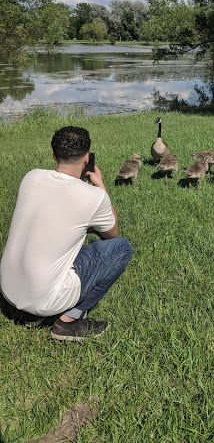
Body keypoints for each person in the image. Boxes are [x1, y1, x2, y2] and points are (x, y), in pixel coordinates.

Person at [0, 126, 133, 341]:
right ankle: (69, 321)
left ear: (54, 156)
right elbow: (112, 233)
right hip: (46, 298)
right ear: (86, 158)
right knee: (122, 248)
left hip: (8, 291)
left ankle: (30, 315)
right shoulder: (93, 196)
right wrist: (101, 188)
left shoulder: (31, 177)